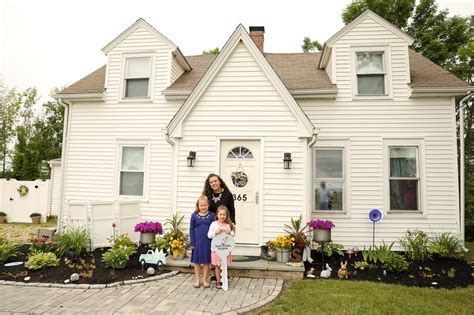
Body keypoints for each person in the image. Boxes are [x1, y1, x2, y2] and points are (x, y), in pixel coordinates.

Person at [189, 195, 215, 288]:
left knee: (206, 262)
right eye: (201, 205)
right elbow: (191, 229)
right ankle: (197, 279)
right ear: (198, 206)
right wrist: (192, 242)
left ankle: (204, 279)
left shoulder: (212, 215)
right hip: (197, 241)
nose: (203, 207)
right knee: (197, 262)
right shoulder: (194, 216)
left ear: (208, 205)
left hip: (208, 241)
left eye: (205, 205)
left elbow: (214, 228)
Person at [207, 205, 235, 289]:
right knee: (217, 266)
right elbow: (209, 235)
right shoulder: (214, 224)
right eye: (220, 214)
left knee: (224, 264)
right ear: (217, 215)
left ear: (227, 215)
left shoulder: (228, 224)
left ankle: (224, 280)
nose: (222, 216)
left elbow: (233, 234)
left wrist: (229, 232)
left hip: (225, 249)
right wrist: (216, 232)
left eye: (224, 215)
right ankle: (218, 281)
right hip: (216, 249)